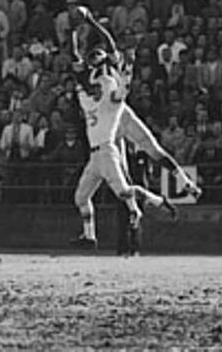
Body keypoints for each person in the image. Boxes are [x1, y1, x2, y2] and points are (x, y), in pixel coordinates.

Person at [69, 29, 177, 249]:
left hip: (108, 152)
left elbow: (120, 90)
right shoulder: (87, 99)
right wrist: (73, 40)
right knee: (80, 198)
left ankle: (158, 201)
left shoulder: (111, 104)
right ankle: (89, 236)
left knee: (124, 192)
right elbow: (79, 69)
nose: (96, 86)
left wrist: (124, 71)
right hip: (94, 157)